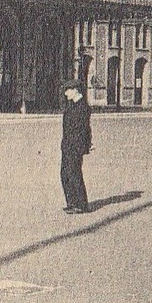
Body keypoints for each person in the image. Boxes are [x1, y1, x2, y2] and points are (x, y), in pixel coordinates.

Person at [60, 82, 93, 213]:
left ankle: (81, 204)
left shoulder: (82, 107)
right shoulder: (72, 106)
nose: (65, 93)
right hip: (67, 145)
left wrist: (85, 145)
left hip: (75, 146)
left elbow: (84, 129)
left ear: (76, 90)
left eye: (68, 90)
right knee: (65, 174)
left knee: (74, 174)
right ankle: (72, 202)